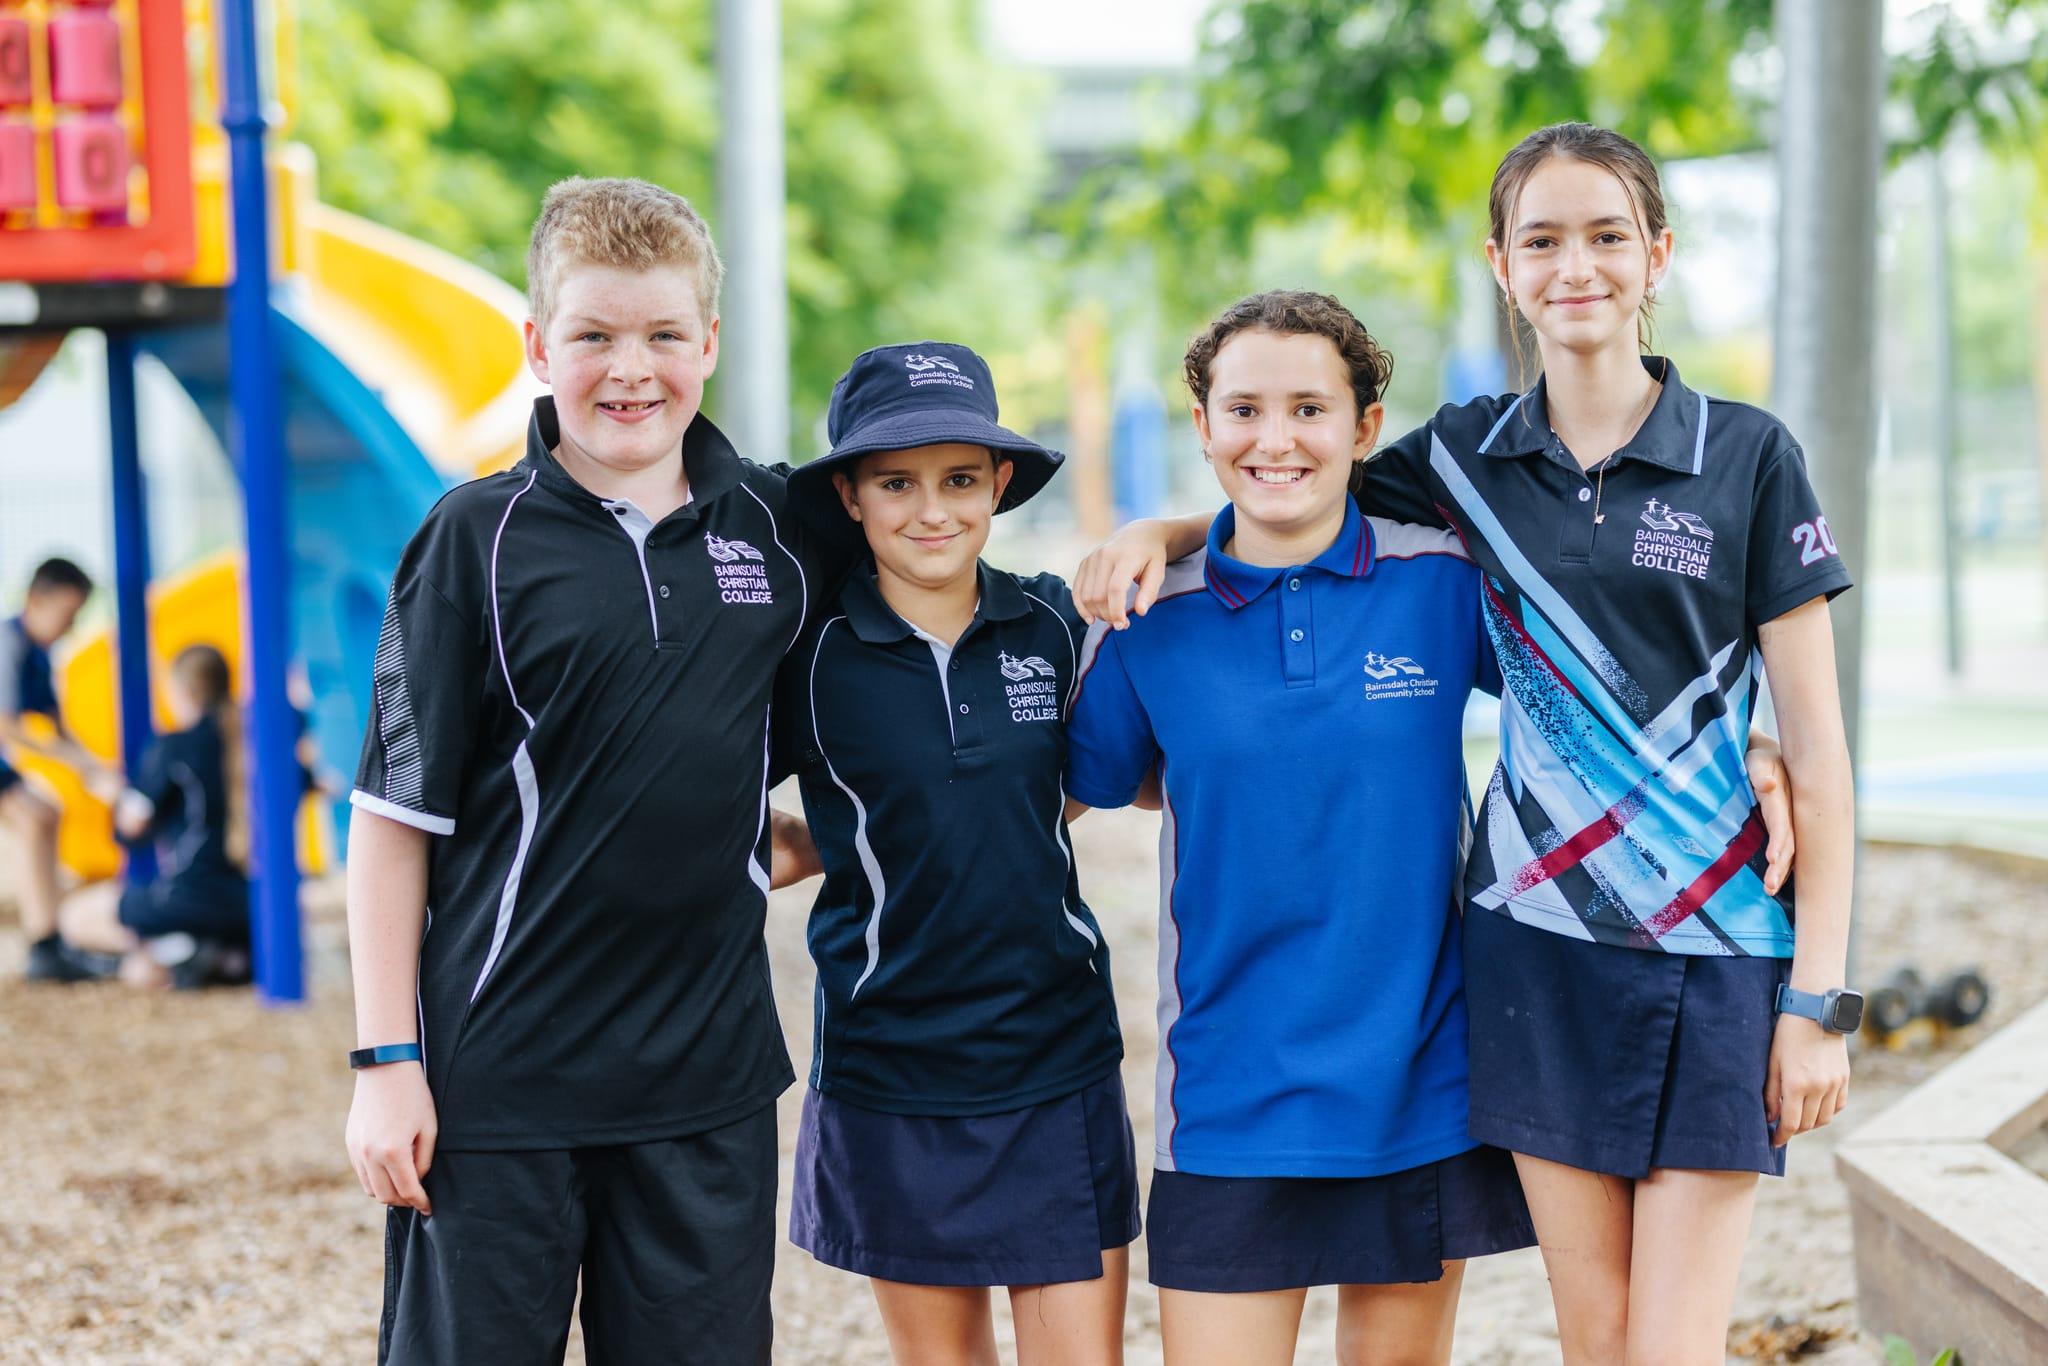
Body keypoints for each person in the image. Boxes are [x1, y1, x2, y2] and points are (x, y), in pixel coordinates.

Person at [1075, 123, 1852, 1364]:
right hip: (1461, 988)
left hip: (1640, 975)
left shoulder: (1709, 465)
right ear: (1500, 263)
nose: (1574, 266)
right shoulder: (1450, 463)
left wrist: (1806, 943)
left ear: (1656, 253)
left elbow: (1752, 718)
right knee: (1595, 1338)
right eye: (1540, 238)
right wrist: (1161, 533)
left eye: (1604, 235)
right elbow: (1276, 496)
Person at [343, 177, 843, 1366]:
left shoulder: (779, 531)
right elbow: (391, 820)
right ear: (537, 344)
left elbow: (870, 718)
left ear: (709, 344)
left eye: (665, 335)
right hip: (498, 1082)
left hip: (708, 1087)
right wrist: (384, 1063)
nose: (632, 369)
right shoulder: (472, 538)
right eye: (595, 335)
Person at [1063, 291, 1536, 1365]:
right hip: (1227, 1092)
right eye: (1242, 409)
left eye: (1308, 409)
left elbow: (1585, 713)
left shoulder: (1444, 580)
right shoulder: (1145, 615)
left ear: (1364, 429)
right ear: (1202, 427)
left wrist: (1755, 746)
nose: (1274, 440)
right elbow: (1065, 797)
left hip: (1416, 1081)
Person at [770, 341, 1135, 1365]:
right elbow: (719, 809)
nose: (931, 511)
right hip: (890, 1060)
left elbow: (1073, 787)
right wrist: (807, 848)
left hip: (1052, 1049)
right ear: (848, 493)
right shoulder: (804, 656)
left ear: (999, 484)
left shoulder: (1054, 623)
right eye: (896, 482)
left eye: (959, 480)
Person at [56, 643, 252, 989]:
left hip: (187, 893)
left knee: (74, 917)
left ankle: (175, 951)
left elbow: (133, 824)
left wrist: (113, 794)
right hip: (247, 902)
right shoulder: (252, 744)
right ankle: (219, 952)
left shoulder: (174, 746)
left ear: (183, 691)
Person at [0, 556, 117, 982]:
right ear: (36, 600)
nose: (70, 628)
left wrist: (93, 764)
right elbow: (9, 726)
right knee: (34, 818)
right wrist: (76, 761)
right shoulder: (9, 643)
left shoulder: (38, 654)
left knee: (43, 816)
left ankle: (47, 941)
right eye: (67, 615)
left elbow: (55, 722)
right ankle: (44, 943)